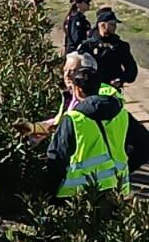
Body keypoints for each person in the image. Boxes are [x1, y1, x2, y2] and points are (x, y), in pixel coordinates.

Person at [45, 57, 149, 196]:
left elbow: (57, 158)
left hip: (78, 194)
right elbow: (144, 144)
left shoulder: (74, 119)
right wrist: (124, 169)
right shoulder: (121, 114)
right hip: (116, 190)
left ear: (78, 90)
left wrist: (48, 193)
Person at [78, 8, 138, 89]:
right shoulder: (87, 45)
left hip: (112, 90)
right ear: (102, 25)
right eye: (112, 24)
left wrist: (121, 79)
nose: (115, 27)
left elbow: (131, 70)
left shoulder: (120, 46)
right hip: (92, 91)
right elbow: (77, 68)